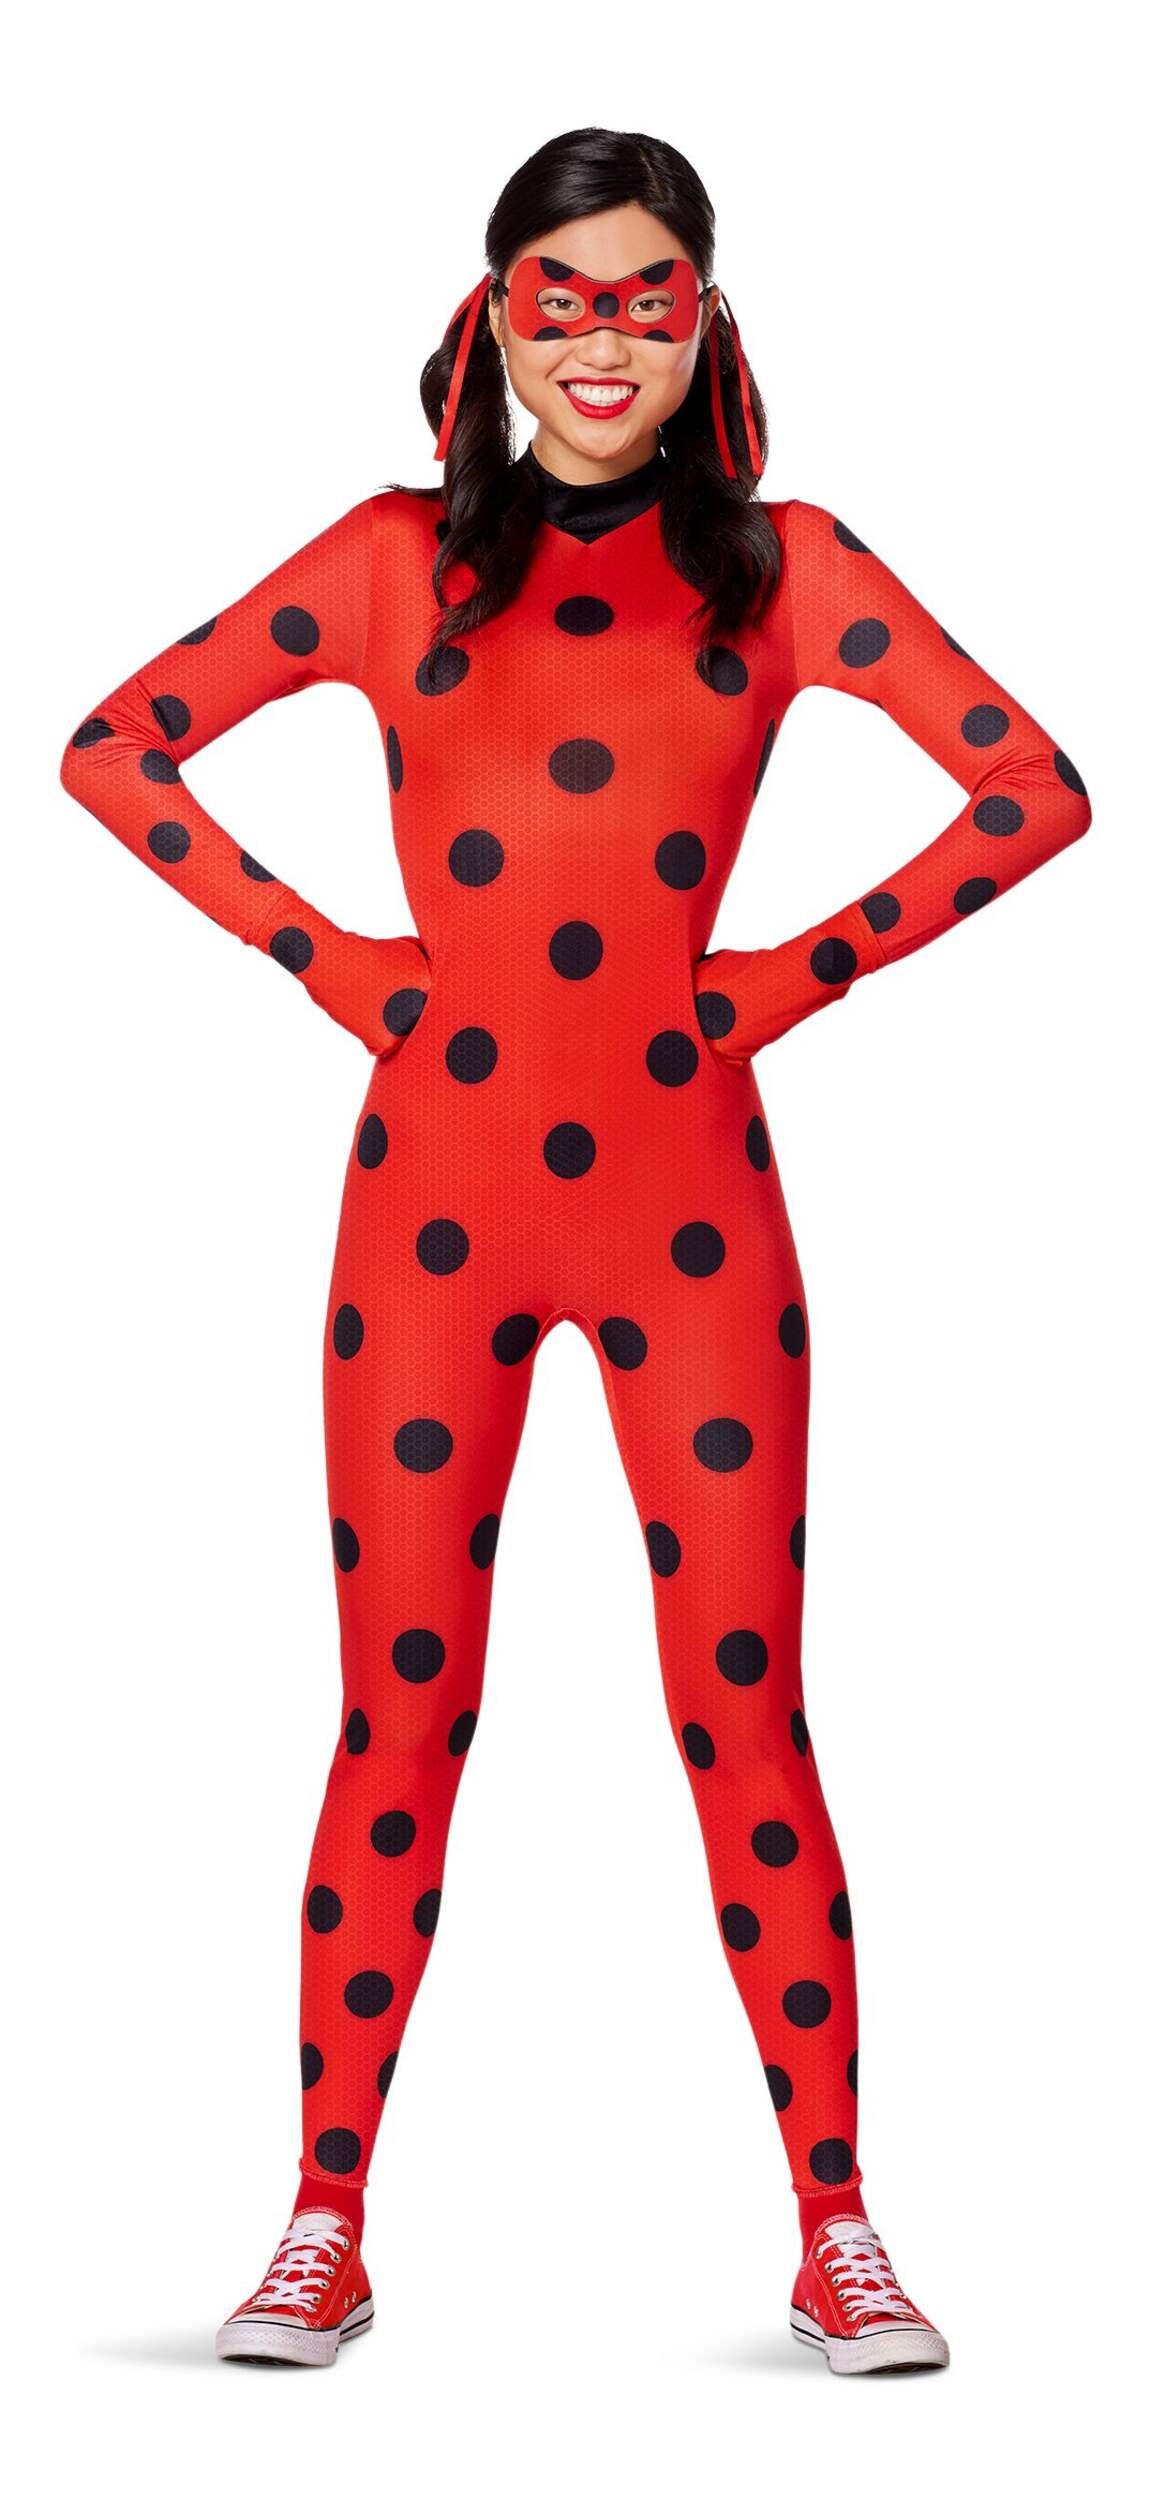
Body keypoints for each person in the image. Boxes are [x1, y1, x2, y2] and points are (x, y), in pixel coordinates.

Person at [59, 125, 1090, 2376]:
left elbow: (1033, 791)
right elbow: (114, 749)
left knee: (744, 1708)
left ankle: (836, 2224)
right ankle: (323, 2215)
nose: (602, 340)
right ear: (492, 314)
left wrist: (776, 982)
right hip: (427, 1201)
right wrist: (334, 965)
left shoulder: (788, 571)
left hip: (689, 1203)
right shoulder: (387, 563)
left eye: (646, 296)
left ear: (705, 321)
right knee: (397, 1708)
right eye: (561, 293)